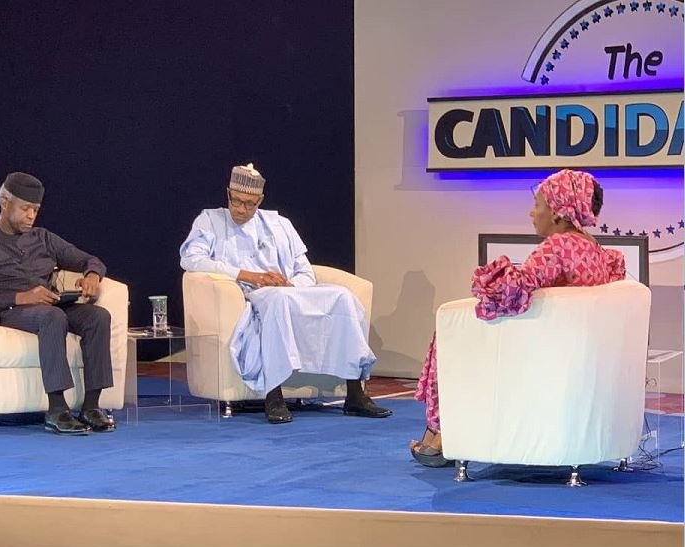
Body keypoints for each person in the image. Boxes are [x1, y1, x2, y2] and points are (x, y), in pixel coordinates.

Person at [410, 169, 626, 466]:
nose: (531, 212)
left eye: (538, 204)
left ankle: (441, 433)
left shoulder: (558, 246)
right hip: (571, 349)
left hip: (538, 348)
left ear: (560, 214)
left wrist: (489, 283)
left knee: (448, 333)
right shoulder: (598, 251)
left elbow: (512, 289)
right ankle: (442, 433)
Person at [180, 163, 392, 424]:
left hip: (288, 290)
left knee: (343, 297)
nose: (240, 209)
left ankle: (354, 394)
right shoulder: (210, 220)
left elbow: (304, 270)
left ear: (260, 201)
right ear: (227, 194)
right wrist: (247, 275)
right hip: (250, 293)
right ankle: (274, 395)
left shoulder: (279, 224)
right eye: (236, 201)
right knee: (277, 301)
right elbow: (191, 260)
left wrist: (292, 287)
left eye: (249, 203)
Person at [0, 172, 116, 435]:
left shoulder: (43, 238)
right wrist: (21, 297)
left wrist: (91, 275)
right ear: (4, 202)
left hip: (49, 305)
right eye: (25, 209)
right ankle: (57, 409)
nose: (31, 216)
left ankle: (91, 406)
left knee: (97, 316)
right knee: (51, 317)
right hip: (9, 311)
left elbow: (91, 259)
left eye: (35, 210)